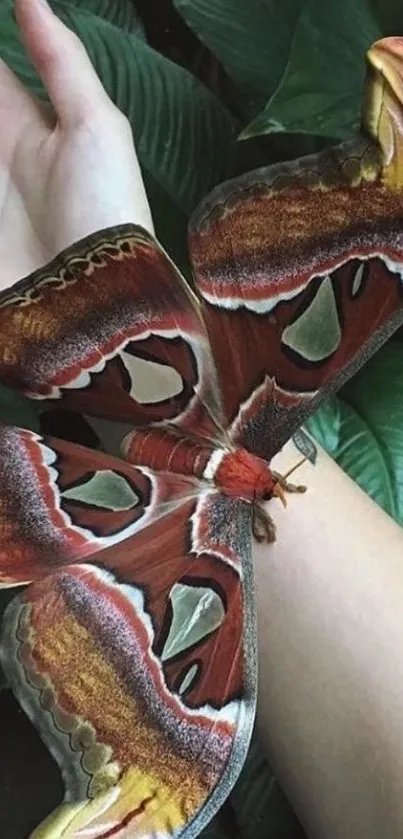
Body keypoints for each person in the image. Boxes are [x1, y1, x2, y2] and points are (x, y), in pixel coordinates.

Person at [1, 2, 403, 838]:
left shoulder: (253, 462)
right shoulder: (247, 490)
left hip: (160, 399)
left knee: (187, 755)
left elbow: (160, 779)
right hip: (160, 424)